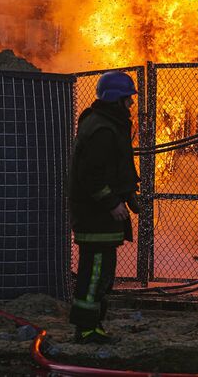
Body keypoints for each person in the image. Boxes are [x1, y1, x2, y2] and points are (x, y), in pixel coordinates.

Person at [68, 71, 140, 344]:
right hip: (96, 216)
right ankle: (86, 330)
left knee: (101, 274)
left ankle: (93, 324)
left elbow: (115, 168)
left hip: (99, 217)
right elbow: (91, 175)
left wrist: (129, 196)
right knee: (95, 273)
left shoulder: (107, 124)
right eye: (127, 99)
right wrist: (112, 203)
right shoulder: (102, 129)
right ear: (116, 99)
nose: (131, 104)